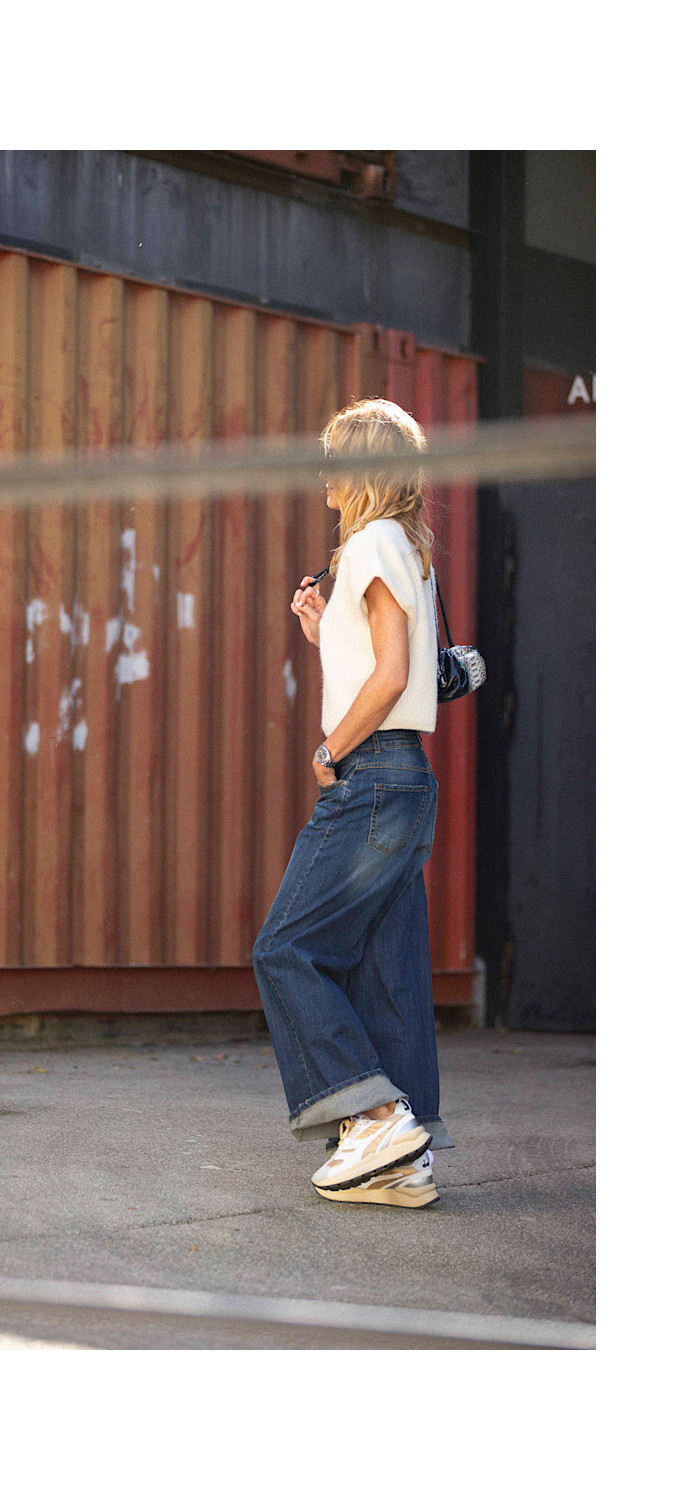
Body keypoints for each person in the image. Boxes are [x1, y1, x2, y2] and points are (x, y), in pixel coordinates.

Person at [251, 397, 454, 1210]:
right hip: (405, 781)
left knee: (286, 949)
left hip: (370, 777)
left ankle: (373, 1118)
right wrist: (320, 631)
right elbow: (385, 661)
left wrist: (329, 752)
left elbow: (392, 676)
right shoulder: (405, 546)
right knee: (385, 968)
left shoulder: (369, 543)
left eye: (335, 459)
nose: (324, 475)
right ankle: (403, 1159)